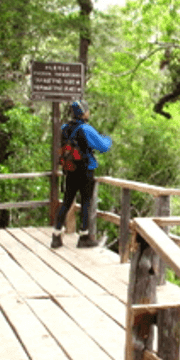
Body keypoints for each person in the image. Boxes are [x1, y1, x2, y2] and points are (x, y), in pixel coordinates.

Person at [51, 100, 112, 249]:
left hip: (70, 170)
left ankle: (56, 236)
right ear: (83, 113)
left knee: (66, 202)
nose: (89, 112)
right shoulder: (86, 129)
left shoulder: (65, 128)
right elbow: (103, 147)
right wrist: (108, 138)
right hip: (85, 170)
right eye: (87, 110)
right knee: (86, 203)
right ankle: (84, 237)